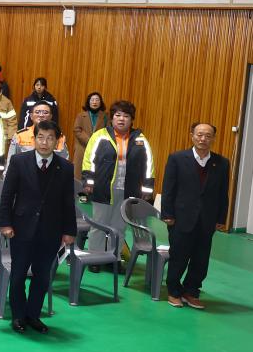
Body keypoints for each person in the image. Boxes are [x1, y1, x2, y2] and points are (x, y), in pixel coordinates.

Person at [0, 120, 77, 334]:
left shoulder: (65, 167)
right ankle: (17, 316)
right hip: (21, 228)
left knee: (43, 277)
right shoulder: (19, 161)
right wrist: (5, 223)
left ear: (57, 141)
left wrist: (70, 231)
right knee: (18, 275)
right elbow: (7, 195)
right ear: (34, 139)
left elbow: (68, 202)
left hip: (50, 231)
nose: (45, 142)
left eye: (50, 138)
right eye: (41, 137)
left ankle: (33, 315)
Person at [161, 123, 230, 309]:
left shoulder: (222, 163)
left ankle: (191, 291)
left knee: (201, 259)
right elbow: (168, 189)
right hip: (180, 218)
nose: (203, 139)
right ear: (192, 135)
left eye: (208, 136)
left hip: (207, 220)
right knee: (179, 256)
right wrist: (167, 213)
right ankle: (174, 292)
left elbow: (223, 193)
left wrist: (221, 219)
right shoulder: (177, 158)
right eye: (199, 135)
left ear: (213, 138)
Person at [82, 100, 154, 259]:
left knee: (119, 227)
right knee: (98, 226)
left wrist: (147, 188)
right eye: (118, 115)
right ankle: (94, 258)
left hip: (127, 190)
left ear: (132, 119)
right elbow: (89, 159)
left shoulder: (140, 139)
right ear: (112, 118)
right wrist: (88, 181)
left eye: (126, 116)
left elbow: (148, 164)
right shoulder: (100, 136)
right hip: (102, 189)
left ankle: (113, 258)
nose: (121, 119)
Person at [7, 101, 69, 168]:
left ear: (51, 116)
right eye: (37, 112)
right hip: (24, 176)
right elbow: (10, 162)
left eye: (45, 112)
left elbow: (65, 163)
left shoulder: (58, 137)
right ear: (31, 116)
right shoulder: (20, 135)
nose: (41, 115)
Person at [72, 92, 105, 182]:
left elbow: (107, 132)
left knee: (94, 176)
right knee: (78, 176)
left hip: (98, 149)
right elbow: (77, 130)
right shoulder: (81, 115)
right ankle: (78, 195)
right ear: (88, 102)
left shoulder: (105, 117)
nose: (94, 102)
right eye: (92, 100)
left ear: (100, 102)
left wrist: (96, 143)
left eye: (97, 100)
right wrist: (90, 141)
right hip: (82, 148)